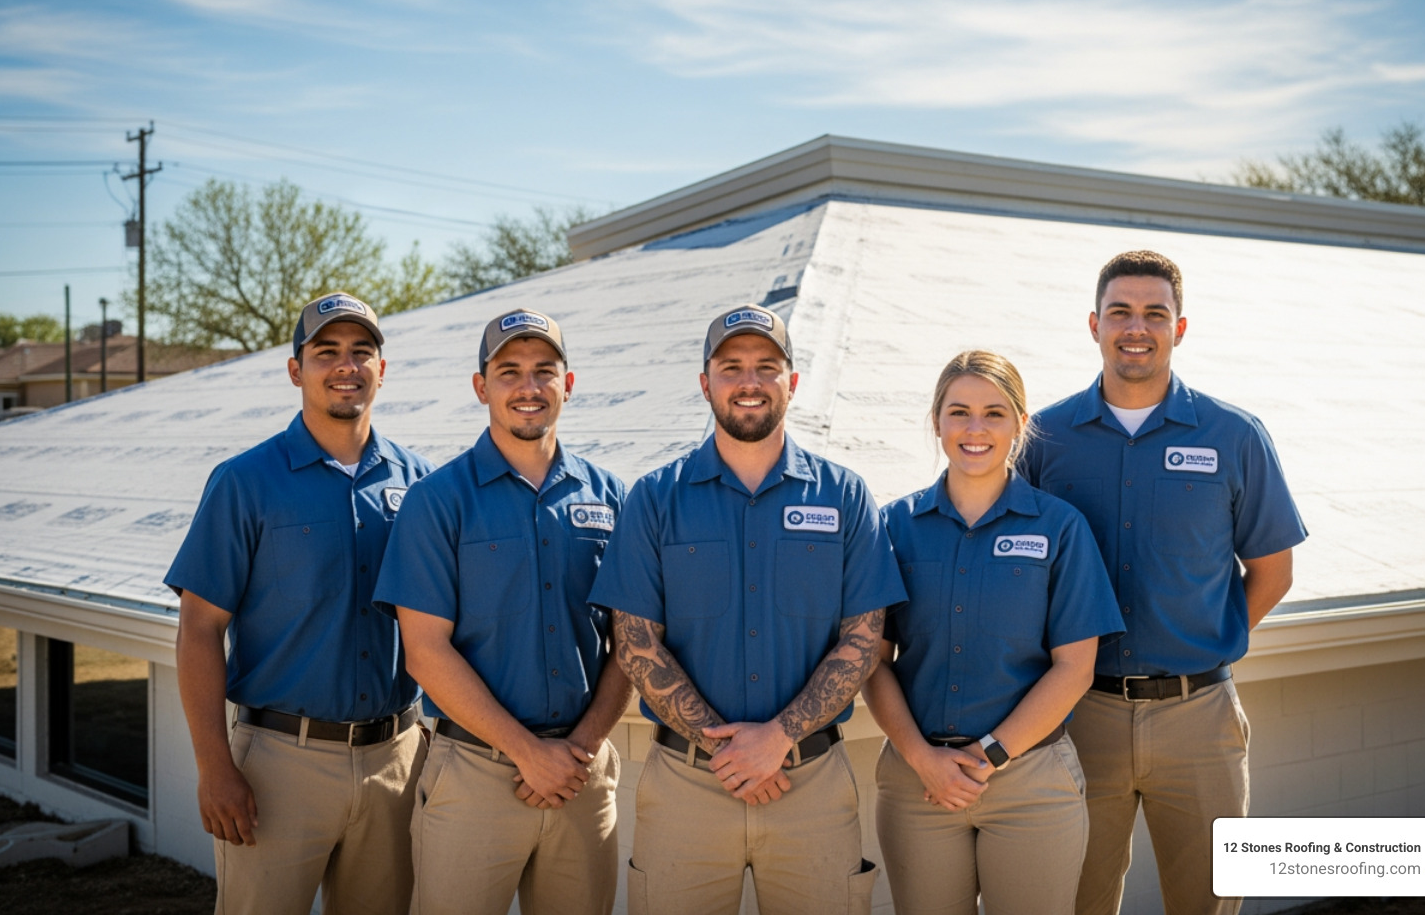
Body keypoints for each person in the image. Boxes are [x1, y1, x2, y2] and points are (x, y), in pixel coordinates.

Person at [1017, 250, 1308, 915]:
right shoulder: (1044, 438)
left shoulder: (1234, 436)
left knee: (1206, 900)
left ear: (1180, 328)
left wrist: (1206, 637)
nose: (1136, 327)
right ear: (1094, 324)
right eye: (1120, 312)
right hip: (1078, 715)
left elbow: (1273, 571)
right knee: (1076, 899)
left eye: (1155, 313)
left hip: (1199, 720)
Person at [590, 303, 906, 915]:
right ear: (705, 383)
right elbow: (634, 643)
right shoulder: (655, 497)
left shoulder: (844, 496)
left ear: (792, 381)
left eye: (767, 365)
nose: (750, 381)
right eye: (731, 366)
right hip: (685, 789)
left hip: (811, 786)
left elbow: (865, 639)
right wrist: (732, 750)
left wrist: (778, 738)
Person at [166, 292, 435, 915]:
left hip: (397, 761)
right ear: (296, 370)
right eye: (326, 352)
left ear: (382, 369)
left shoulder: (420, 483)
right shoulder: (245, 481)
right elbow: (199, 629)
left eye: (361, 352)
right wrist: (214, 768)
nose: (346, 366)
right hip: (279, 767)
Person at [373, 309, 632, 915]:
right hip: (473, 775)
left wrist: (582, 748)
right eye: (508, 370)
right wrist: (526, 752)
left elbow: (634, 644)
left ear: (568, 384)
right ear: (480, 386)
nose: (528, 386)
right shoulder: (436, 502)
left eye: (545, 370)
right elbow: (425, 651)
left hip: (582, 773)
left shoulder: (613, 496)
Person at [863, 350, 1126, 915]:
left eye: (994, 413)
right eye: (958, 412)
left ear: (1020, 425)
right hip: (918, 782)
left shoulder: (1060, 528)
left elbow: (1074, 666)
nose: (975, 429)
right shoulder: (894, 526)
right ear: (937, 422)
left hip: (1030, 781)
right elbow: (872, 662)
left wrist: (988, 755)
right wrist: (924, 759)